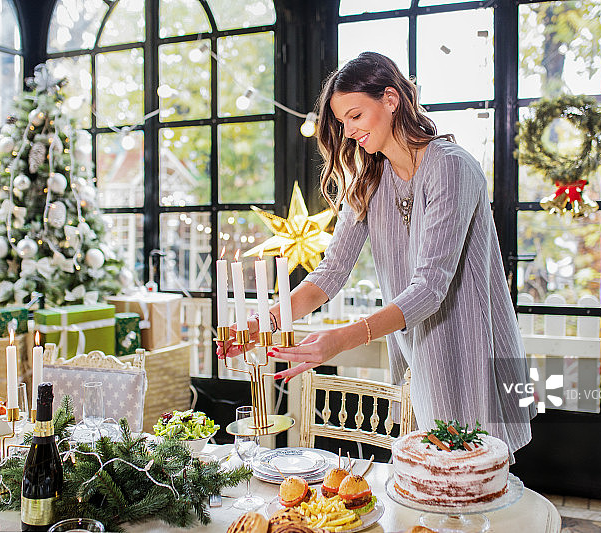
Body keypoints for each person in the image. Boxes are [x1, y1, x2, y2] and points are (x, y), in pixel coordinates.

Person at [217, 51, 534, 458]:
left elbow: (430, 288)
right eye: (342, 122)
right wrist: (266, 321)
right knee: (434, 488)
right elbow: (330, 273)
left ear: (390, 99)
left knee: (478, 484)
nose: (348, 132)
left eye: (355, 116)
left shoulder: (451, 168)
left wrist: (342, 339)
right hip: (421, 354)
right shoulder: (369, 181)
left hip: (473, 346)